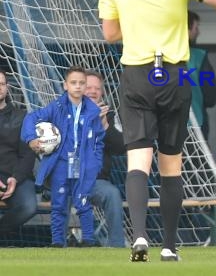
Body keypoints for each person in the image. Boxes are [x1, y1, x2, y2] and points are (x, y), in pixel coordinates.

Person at [98, 0, 216, 261]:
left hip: (136, 76)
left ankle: (140, 237)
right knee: (170, 165)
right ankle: (169, 245)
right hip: (173, 76)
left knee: (138, 161)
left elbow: (110, 34)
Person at [21, 66, 105, 247]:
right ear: (65, 85)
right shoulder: (56, 107)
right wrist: (31, 139)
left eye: (82, 83)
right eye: (73, 83)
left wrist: (95, 163)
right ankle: (57, 242)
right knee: (59, 203)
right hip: (61, 162)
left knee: (83, 201)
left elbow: (99, 141)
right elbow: (31, 118)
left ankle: (89, 241)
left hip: (83, 163)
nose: (78, 86)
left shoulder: (92, 112)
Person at [84, 70, 126, 248]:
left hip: (96, 182)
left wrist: (104, 126)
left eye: (97, 88)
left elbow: (121, 148)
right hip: (68, 179)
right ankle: (59, 247)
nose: (93, 91)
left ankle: (117, 247)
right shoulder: (63, 112)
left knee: (112, 193)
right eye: (89, 87)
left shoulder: (108, 116)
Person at [0, 70, 37, 234]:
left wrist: (15, 178)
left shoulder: (22, 117)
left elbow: (27, 155)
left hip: (16, 176)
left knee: (29, 207)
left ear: (7, 87)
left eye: (1, 84)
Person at [187, 10, 216, 139]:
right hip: (195, 125)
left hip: (162, 128)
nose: (198, 32)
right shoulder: (199, 56)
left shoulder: (157, 56)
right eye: (196, 27)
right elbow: (211, 97)